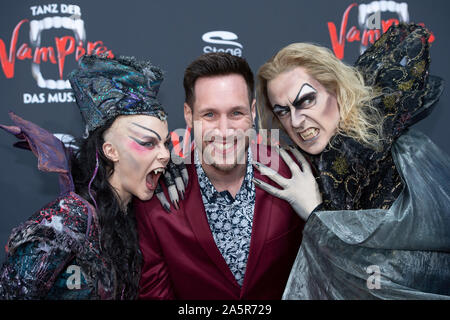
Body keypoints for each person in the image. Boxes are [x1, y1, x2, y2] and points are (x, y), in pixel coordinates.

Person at [254, 23, 450, 299]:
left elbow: (390, 278)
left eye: (307, 100)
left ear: (337, 90)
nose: (296, 121)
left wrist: (315, 213)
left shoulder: (389, 154)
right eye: (283, 111)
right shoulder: (320, 164)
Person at [0, 54, 172, 299]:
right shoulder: (65, 223)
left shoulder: (131, 218)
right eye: (148, 143)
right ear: (110, 150)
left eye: (166, 144)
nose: (165, 155)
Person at [135, 52, 304, 299]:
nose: (224, 131)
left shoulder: (292, 172)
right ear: (188, 115)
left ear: (253, 112)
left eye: (236, 113)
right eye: (210, 115)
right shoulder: (157, 197)